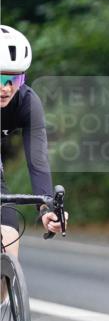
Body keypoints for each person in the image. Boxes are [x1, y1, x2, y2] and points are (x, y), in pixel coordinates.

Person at [0, 25, 69, 264]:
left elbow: (38, 161)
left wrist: (46, 208)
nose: (6, 87)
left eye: (14, 78)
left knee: (9, 248)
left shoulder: (27, 103)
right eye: (0, 77)